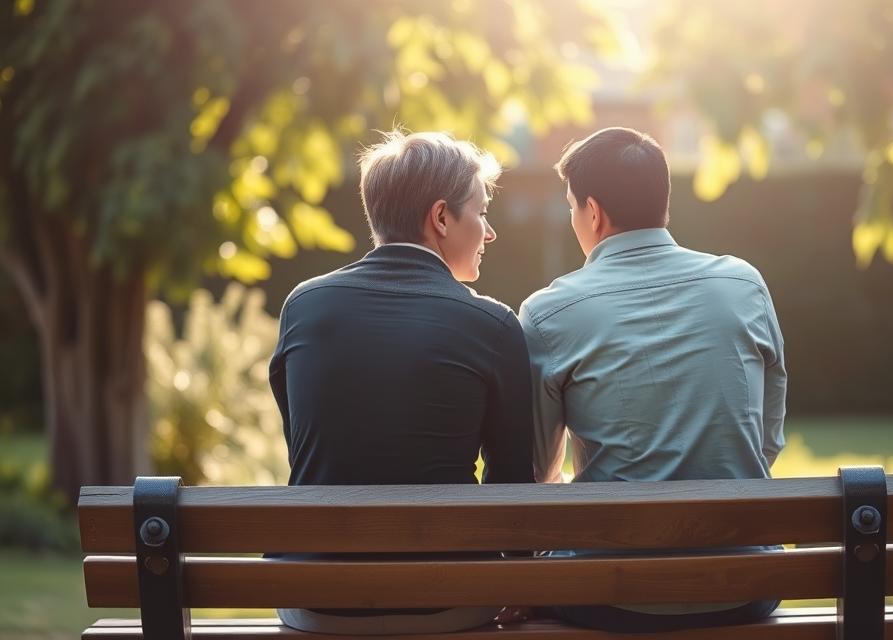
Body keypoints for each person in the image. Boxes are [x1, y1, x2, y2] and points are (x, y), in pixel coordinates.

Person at [518, 127, 787, 632]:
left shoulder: (550, 313)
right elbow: (765, 439)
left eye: (572, 207)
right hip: (745, 584)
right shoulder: (743, 284)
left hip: (610, 595)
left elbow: (538, 478)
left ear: (592, 213)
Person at [269, 130, 534, 635]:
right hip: (448, 603)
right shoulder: (493, 326)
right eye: (480, 212)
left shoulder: (303, 307)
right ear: (440, 218)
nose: (490, 231)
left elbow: (305, 447)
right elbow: (512, 488)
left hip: (316, 600)